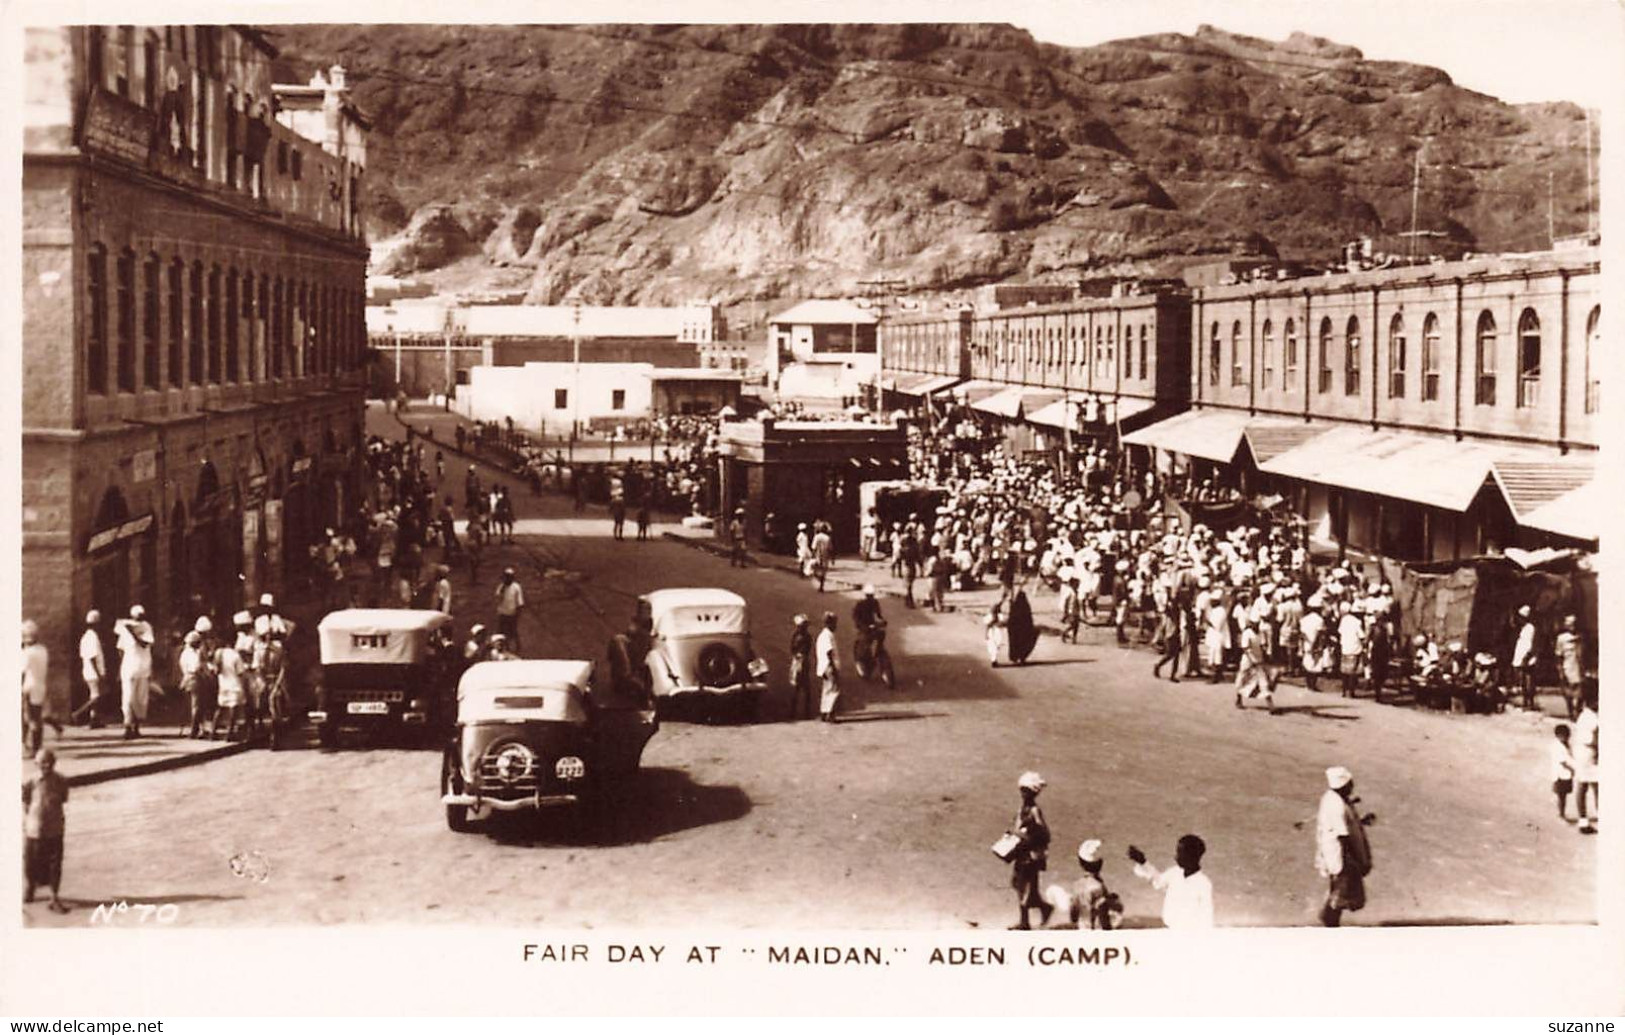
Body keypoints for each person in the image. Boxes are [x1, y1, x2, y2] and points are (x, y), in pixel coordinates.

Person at [1316, 766, 1374, 926]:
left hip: (1337, 853)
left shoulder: (1334, 798)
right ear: (1344, 785)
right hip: (1341, 854)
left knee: (1340, 889)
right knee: (1342, 889)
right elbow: (1343, 835)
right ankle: (1329, 919)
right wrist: (1352, 858)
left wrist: (1360, 821)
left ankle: (1330, 919)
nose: (1352, 786)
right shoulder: (1337, 805)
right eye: (1350, 783)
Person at [1129, 834, 1214, 929]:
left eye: (1180, 853)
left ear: (1192, 856)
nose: (1176, 857)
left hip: (1190, 934)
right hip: (1170, 930)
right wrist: (1143, 862)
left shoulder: (1203, 883)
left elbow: (1206, 916)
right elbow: (1158, 882)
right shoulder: (1174, 873)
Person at [22, 748, 70, 913]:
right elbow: (25, 799)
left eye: (49, 762)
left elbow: (63, 798)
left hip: (55, 828)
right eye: (42, 762)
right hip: (34, 828)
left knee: (55, 864)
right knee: (31, 862)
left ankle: (54, 896)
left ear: (54, 763)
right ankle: (30, 888)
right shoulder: (31, 781)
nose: (46, 765)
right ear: (36, 764)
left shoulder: (61, 780)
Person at [1007, 772, 1053, 930]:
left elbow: (1044, 834)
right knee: (1020, 884)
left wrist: (1028, 836)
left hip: (1030, 855)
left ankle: (1025, 922)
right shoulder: (1023, 809)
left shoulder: (1034, 810)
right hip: (1023, 853)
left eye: (1025, 791)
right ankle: (1043, 907)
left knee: (1023, 886)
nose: (1023, 794)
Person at [113, 605, 155, 739]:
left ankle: (136, 727)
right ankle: (127, 726)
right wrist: (121, 667)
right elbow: (120, 649)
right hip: (130, 668)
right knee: (128, 698)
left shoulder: (146, 627)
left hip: (143, 668)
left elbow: (145, 644)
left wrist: (132, 632)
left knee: (140, 699)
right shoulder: (125, 630)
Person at [1233, 618, 1276, 714]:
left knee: (1263, 681)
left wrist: (1266, 654)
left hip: (1259, 660)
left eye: (1256, 623)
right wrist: (1252, 660)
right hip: (1247, 661)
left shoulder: (1260, 633)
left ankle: (1271, 706)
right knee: (1242, 679)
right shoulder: (1247, 633)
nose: (1255, 625)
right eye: (1253, 624)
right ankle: (1238, 699)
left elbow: (1263, 645)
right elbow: (1245, 648)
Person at [1572, 685, 1599, 835]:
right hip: (1589, 753)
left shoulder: (1584, 715)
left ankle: (1584, 819)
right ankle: (1584, 819)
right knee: (1591, 785)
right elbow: (1594, 739)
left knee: (1586, 785)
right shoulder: (1591, 717)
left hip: (1583, 752)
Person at [21, 620, 50, 755]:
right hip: (40, 686)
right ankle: (38, 746)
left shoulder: (27, 653)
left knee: (30, 718)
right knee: (37, 717)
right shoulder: (43, 650)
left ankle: (33, 748)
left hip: (29, 686)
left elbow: (21, 670)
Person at [76, 611, 108, 728]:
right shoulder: (92, 637)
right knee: (96, 697)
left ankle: (94, 719)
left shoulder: (86, 637)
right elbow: (92, 657)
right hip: (93, 672)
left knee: (94, 695)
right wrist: (99, 673)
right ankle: (78, 713)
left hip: (89, 671)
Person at [1554, 615, 1586, 720]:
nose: (1572, 626)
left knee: (1581, 693)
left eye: (1574, 623)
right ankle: (1571, 711)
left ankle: (1578, 710)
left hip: (1580, 667)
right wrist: (1560, 671)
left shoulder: (1581, 637)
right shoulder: (1562, 638)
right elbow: (1558, 655)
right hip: (1567, 667)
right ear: (1566, 625)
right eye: (1570, 624)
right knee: (1568, 693)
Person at [178, 631, 208, 738]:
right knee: (196, 705)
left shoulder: (184, 653)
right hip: (194, 678)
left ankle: (197, 728)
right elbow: (197, 667)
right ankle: (194, 729)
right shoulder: (194, 654)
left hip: (187, 678)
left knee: (193, 705)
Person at [1511, 605, 1539, 711]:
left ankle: (1529, 703)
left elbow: (1530, 645)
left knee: (1528, 681)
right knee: (1523, 681)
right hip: (1521, 657)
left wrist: (1525, 657)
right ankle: (1525, 702)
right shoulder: (1523, 628)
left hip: (1527, 658)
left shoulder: (1530, 628)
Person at [788, 614, 815, 720]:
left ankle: (794, 712)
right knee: (804, 688)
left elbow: (792, 648)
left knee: (798, 688)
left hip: (798, 661)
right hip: (801, 662)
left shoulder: (797, 635)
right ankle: (804, 712)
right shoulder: (804, 636)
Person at [816, 612, 841, 723]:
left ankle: (824, 712)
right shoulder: (827, 636)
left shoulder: (823, 635)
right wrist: (834, 668)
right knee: (834, 690)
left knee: (827, 689)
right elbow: (829, 652)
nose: (836, 626)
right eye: (834, 623)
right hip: (828, 666)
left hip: (823, 666)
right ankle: (830, 713)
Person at [494, 568, 525, 652]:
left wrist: (517, 614)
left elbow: (520, 602)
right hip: (502, 613)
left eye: (509, 577)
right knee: (501, 632)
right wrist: (502, 591)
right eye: (506, 577)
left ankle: (517, 648)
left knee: (513, 631)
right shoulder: (501, 587)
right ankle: (503, 648)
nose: (507, 579)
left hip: (512, 614)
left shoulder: (516, 587)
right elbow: (497, 599)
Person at [1151, 599, 1182, 683]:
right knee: (1170, 655)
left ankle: (1172, 674)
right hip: (1171, 636)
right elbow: (1162, 627)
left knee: (1176, 656)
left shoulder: (1173, 614)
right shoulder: (1169, 616)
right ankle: (1158, 666)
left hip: (1174, 635)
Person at [1551, 724, 1576, 822]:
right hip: (1560, 774)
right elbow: (1562, 762)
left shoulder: (1567, 745)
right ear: (1558, 736)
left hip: (1566, 774)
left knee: (1564, 794)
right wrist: (1572, 769)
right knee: (1561, 795)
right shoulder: (1557, 746)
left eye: (1568, 736)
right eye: (1564, 736)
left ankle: (1562, 812)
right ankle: (1561, 813)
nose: (1566, 738)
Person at [1007, 588, 1037, 665]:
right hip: (1024, 629)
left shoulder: (1015, 607)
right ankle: (1022, 658)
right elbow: (1029, 619)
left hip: (1016, 630)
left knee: (1015, 643)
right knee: (1024, 643)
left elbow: (1011, 619)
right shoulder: (1026, 607)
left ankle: (1015, 657)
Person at [984, 594, 1009, 668]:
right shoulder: (990, 617)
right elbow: (987, 626)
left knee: (997, 645)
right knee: (993, 646)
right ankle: (993, 660)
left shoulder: (999, 616)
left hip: (997, 631)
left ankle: (994, 660)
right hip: (993, 631)